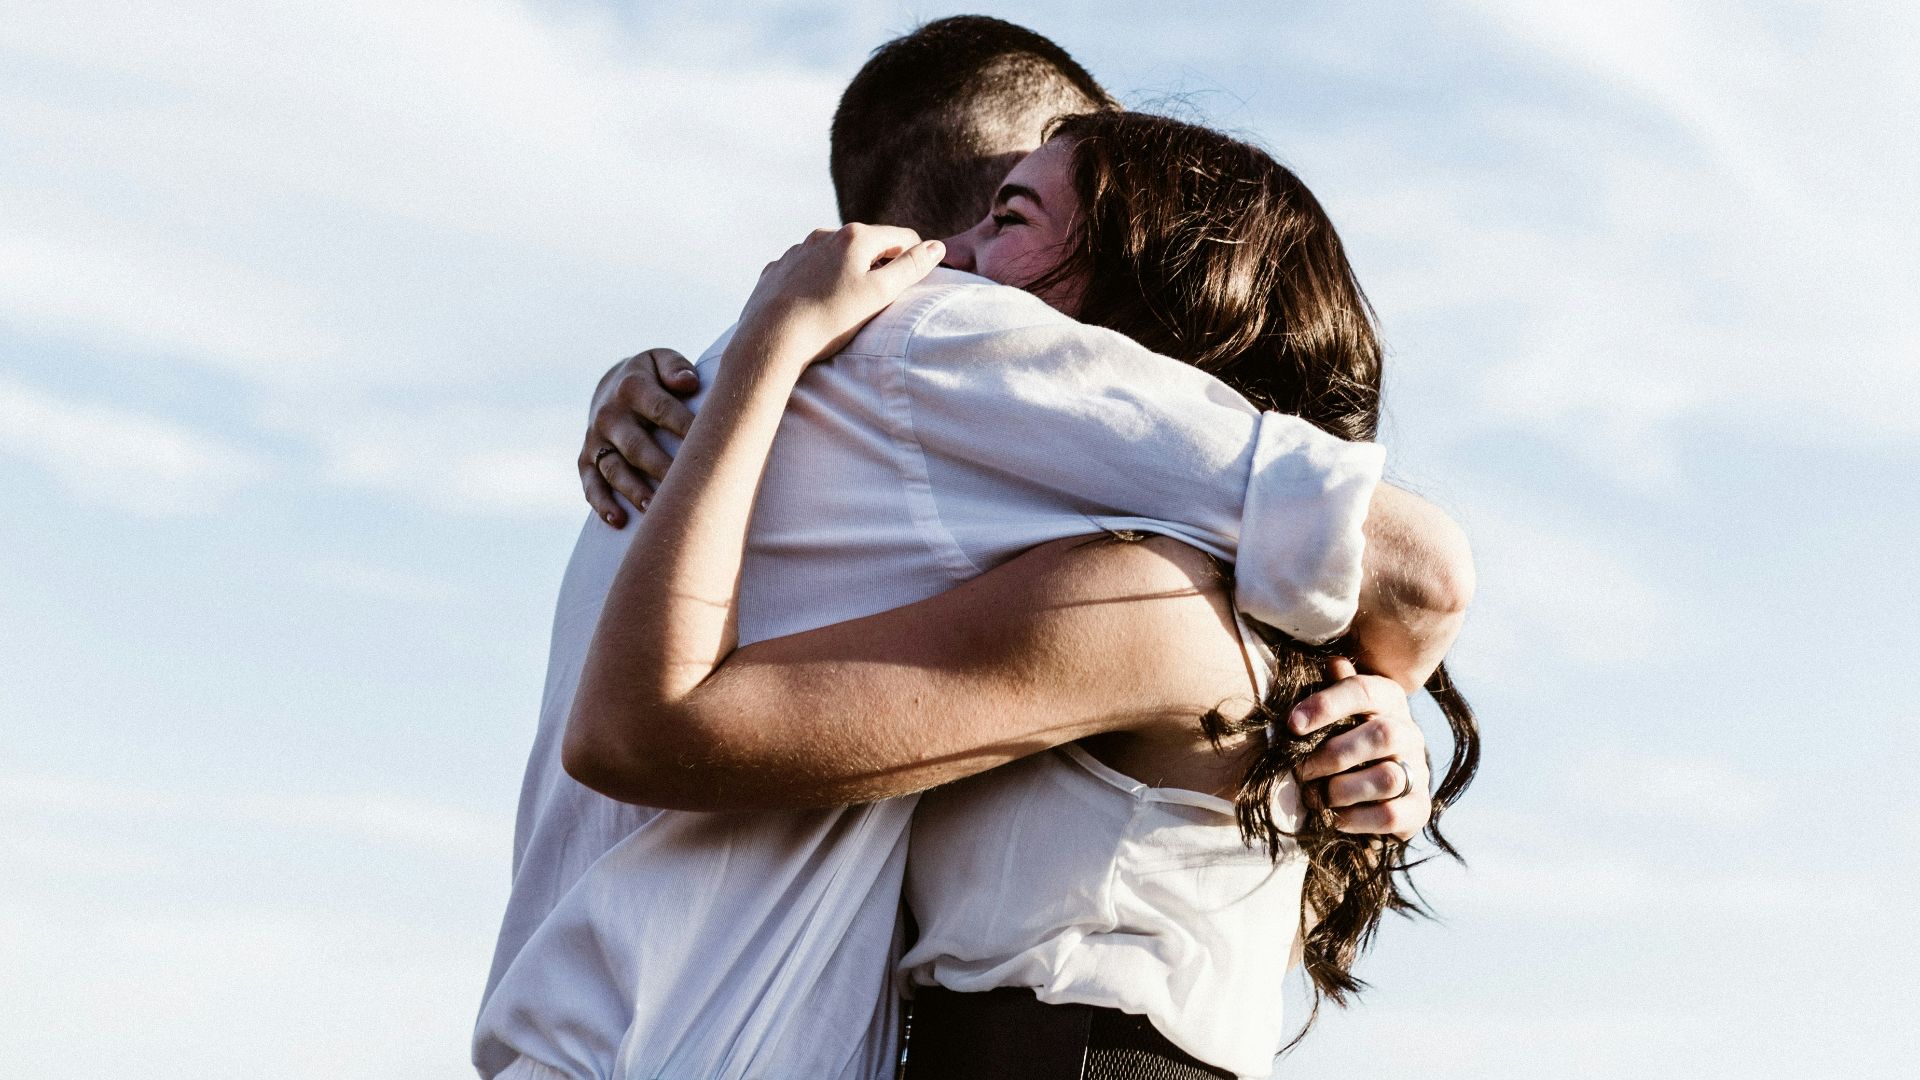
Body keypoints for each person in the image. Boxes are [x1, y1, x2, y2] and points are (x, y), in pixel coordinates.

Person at [475, 17, 1464, 1080]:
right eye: (1008, 202)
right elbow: (1416, 563)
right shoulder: (938, 345)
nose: (969, 262)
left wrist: (1374, 693)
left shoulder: (759, 412)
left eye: (1021, 218)